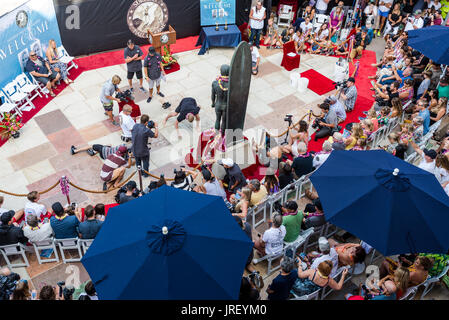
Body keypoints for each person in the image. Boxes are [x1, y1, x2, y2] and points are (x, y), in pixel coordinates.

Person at [211, 65, 230, 135]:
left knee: (217, 119)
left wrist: (213, 103)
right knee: (224, 121)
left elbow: (213, 95)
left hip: (218, 105)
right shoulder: (231, 84)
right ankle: (222, 135)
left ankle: (216, 134)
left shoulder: (215, 83)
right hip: (226, 106)